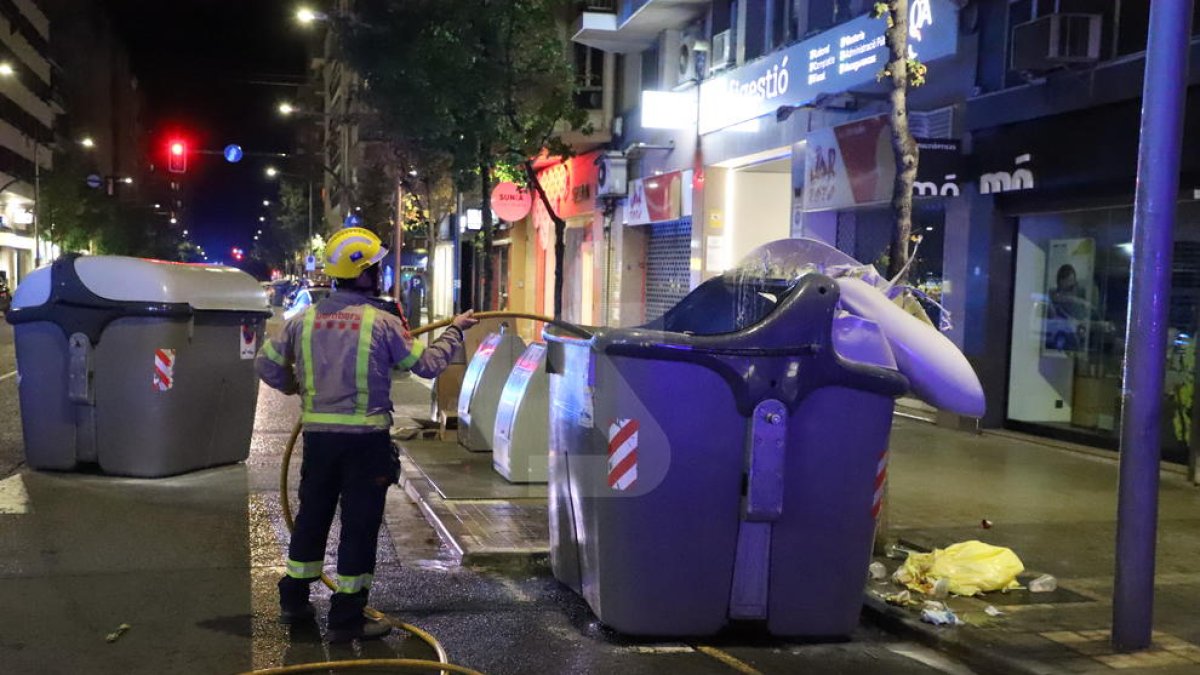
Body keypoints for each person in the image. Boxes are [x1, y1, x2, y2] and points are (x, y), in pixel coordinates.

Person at [256, 227, 478, 642]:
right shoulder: (383, 323)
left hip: (320, 441)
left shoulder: (301, 322)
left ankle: (293, 598)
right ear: (362, 274)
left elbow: (267, 367)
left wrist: (298, 387)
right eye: (376, 266)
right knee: (358, 528)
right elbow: (427, 366)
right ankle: (346, 618)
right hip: (365, 445)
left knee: (312, 517)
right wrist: (456, 331)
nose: (381, 273)